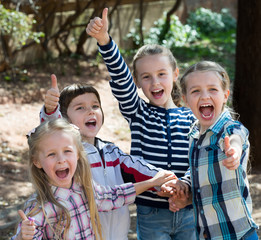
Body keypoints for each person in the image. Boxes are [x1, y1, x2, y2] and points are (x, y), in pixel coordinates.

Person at [86, 8, 241, 240]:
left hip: (189, 211)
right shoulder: (138, 112)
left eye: (162, 74)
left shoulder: (193, 118)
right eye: (146, 76)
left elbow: (198, 160)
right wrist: (105, 42)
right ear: (137, 81)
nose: (155, 82)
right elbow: (121, 80)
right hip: (151, 213)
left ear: (175, 74)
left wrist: (183, 188)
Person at [39, 76, 179, 239]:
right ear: (64, 117)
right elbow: (50, 133)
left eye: (95, 106)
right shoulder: (70, 155)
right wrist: (50, 111)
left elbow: (141, 168)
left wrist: (169, 181)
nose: (90, 111)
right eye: (80, 108)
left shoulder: (111, 151)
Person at [11, 118, 175, 240]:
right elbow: (26, 235)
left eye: (67, 151)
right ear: (37, 161)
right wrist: (21, 237)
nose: (61, 159)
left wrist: (151, 182)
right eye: (51, 154)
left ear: (77, 154)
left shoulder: (83, 187)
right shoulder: (38, 207)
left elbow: (113, 196)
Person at [163, 61, 259, 240]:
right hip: (206, 234)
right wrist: (183, 186)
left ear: (225, 95)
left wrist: (234, 153)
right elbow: (196, 171)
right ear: (185, 98)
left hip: (238, 234)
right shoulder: (194, 136)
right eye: (195, 91)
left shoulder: (230, 129)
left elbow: (237, 138)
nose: (204, 96)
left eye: (212, 89)